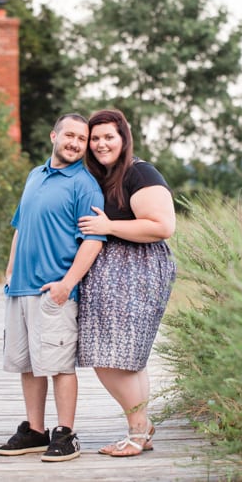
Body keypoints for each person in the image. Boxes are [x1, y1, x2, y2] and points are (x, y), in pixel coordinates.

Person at [0, 113, 106, 462]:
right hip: (20, 289)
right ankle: (35, 430)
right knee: (28, 364)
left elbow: (93, 240)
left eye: (82, 138)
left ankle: (65, 433)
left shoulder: (84, 184)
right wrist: (11, 269)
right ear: (53, 136)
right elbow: (20, 225)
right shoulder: (35, 175)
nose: (76, 143)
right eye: (70, 135)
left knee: (59, 365)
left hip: (54, 293)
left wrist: (66, 285)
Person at [76, 108, 177, 457]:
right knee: (124, 357)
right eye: (96, 138)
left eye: (109, 137)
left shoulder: (139, 172)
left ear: (123, 138)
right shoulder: (102, 176)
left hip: (141, 269)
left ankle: (137, 432)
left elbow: (162, 226)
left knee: (112, 356)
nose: (101, 144)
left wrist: (109, 227)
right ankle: (141, 428)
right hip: (113, 273)